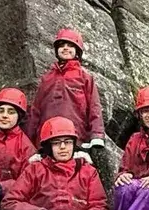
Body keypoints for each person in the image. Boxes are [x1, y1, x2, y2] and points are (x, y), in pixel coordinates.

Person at [24, 29, 105, 160]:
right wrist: (27, 139)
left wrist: (97, 135)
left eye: (71, 45)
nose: (65, 48)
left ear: (77, 51)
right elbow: (35, 111)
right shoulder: (46, 78)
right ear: (56, 50)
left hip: (75, 139)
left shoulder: (85, 78)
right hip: (46, 140)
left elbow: (94, 108)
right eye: (62, 45)